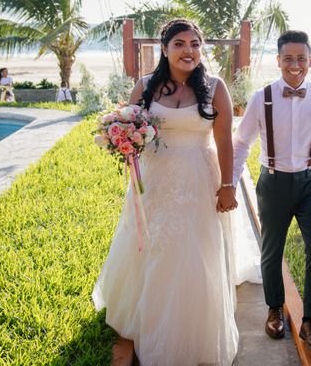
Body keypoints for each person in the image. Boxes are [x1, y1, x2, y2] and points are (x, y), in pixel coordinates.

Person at [93, 19, 239, 366]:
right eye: (179, 44)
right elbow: (130, 126)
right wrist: (124, 144)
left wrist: (228, 185)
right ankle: (148, 317)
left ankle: (192, 329)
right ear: (164, 49)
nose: (188, 51)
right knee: (152, 246)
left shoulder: (215, 87)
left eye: (194, 44)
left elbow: (224, 141)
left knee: (194, 250)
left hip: (198, 178)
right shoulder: (145, 86)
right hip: (155, 179)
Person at [233, 30, 311, 352]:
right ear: (278, 61)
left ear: (310, 61)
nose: (295, 65)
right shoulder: (261, 98)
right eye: (288, 59)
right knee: (272, 249)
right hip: (274, 182)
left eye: (301, 59)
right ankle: (275, 308)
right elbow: (241, 142)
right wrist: (232, 183)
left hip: (310, 182)